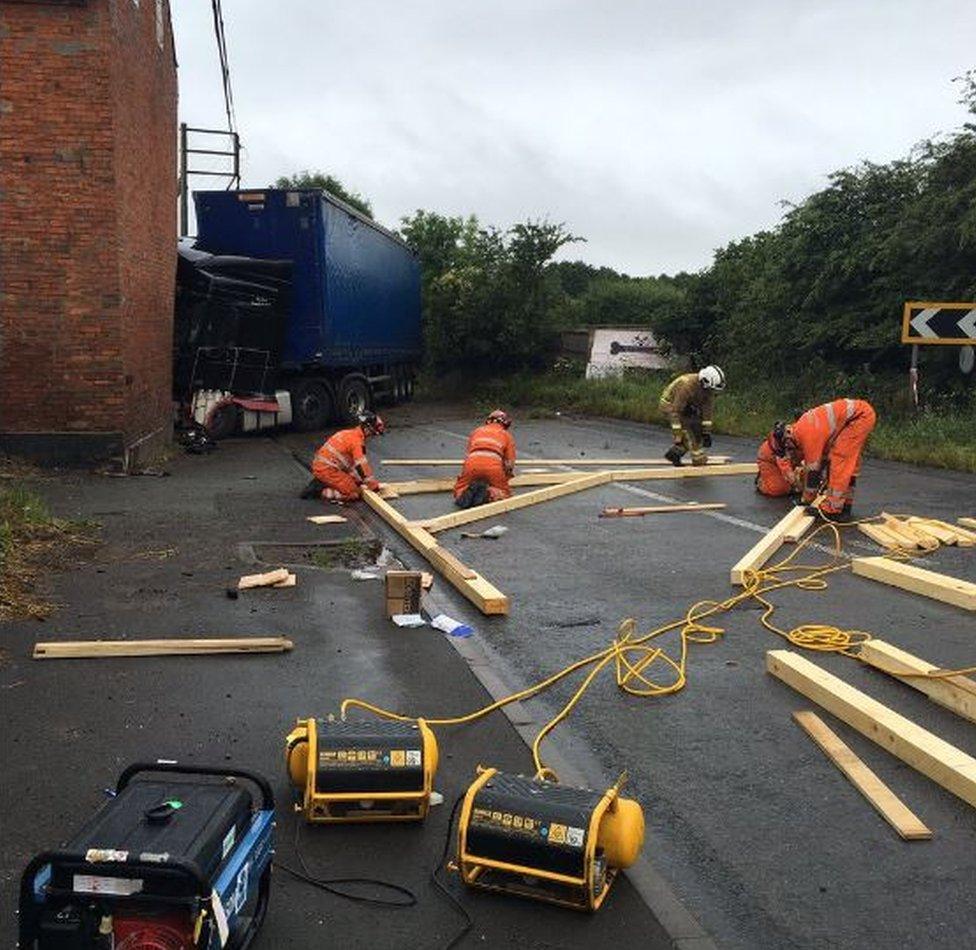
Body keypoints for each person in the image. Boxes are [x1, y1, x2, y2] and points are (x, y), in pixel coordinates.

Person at [765, 398, 876, 518]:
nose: (790, 450)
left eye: (788, 447)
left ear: (788, 434)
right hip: (857, 416)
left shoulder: (806, 434)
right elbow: (822, 459)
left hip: (858, 418)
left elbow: (813, 472)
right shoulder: (803, 427)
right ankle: (845, 506)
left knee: (839, 461)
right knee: (847, 463)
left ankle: (832, 510)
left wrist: (807, 500)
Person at [300, 411, 385, 503]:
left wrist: (359, 481)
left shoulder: (348, 433)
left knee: (355, 484)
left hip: (324, 467)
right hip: (328, 470)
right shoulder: (357, 442)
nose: (372, 436)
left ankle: (323, 482)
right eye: (373, 433)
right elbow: (362, 466)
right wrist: (374, 487)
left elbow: (351, 465)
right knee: (353, 493)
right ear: (367, 428)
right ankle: (319, 491)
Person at [659, 365, 726, 466]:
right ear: (704, 382)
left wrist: (706, 432)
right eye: (712, 388)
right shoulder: (686, 386)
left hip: (687, 406)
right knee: (689, 431)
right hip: (670, 405)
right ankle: (698, 459)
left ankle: (675, 453)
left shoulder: (707, 391)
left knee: (697, 427)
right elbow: (675, 412)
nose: (712, 392)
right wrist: (678, 435)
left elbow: (707, 412)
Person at [454, 409, 516, 508]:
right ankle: (489, 494)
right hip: (493, 467)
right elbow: (509, 464)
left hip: (471, 464)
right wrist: (506, 477)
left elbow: (468, 454)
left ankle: (463, 494)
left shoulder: (476, 431)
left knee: (461, 486)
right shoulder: (506, 435)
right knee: (504, 492)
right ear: (505, 423)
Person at [755, 428, 799, 497]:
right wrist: (795, 484)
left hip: (793, 456)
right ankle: (762, 481)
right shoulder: (778, 445)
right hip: (769, 460)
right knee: (778, 489)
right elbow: (786, 468)